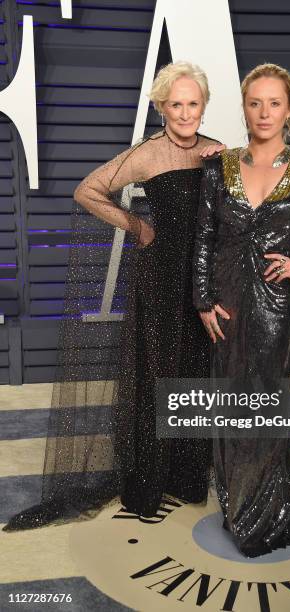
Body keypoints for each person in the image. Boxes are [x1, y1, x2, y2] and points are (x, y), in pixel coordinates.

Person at [3, 61, 223, 532]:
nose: (185, 113)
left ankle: (185, 475)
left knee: (195, 370)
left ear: (204, 107)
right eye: (176, 104)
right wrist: (136, 225)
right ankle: (148, 476)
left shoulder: (218, 153)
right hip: (160, 277)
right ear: (163, 107)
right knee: (155, 373)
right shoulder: (147, 154)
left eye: (193, 103)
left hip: (204, 280)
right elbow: (89, 190)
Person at [192, 63, 290, 557]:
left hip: (271, 305)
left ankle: (266, 508)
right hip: (224, 301)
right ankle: (239, 499)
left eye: (274, 103)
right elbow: (203, 238)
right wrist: (202, 299)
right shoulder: (218, 166)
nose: (264, 112)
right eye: (255, 102)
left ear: (289, 110)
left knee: (262, 401)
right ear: (243, 107)